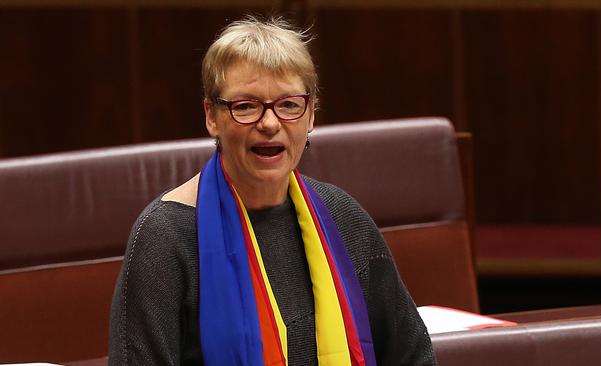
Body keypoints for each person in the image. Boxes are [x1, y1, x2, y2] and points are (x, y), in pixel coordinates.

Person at [109, 16, 435, 366]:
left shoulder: (344, 219)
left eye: (289, 105)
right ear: (211, 116)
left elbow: (413, 357)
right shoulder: (166, 239)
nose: (269, 123)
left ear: (311, 115)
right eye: (245, 106)